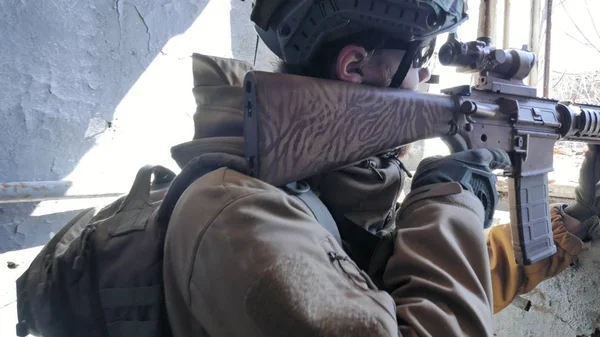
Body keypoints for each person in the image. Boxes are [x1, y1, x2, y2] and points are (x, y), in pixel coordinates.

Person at [163, 1, 594, 336]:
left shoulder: (320, 184)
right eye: (422, 54)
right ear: (355, 66)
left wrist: (570, 223)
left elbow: (410, 287)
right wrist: (450, 201)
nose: (427, 73)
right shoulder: (238, 217)